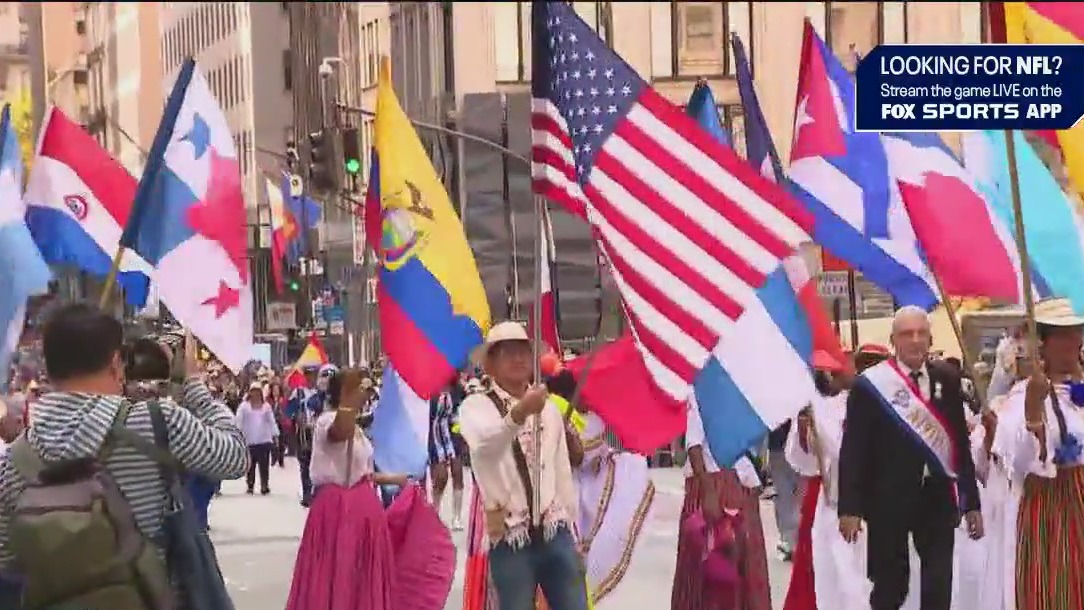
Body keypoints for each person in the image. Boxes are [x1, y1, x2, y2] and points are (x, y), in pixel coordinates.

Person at [0, 303, 248, 608]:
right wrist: (194, 385)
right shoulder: (156, 422)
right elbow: (235, 457)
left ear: (48, 369)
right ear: (116, 363)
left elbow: (7, 564)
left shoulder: (16, 459)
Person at [838, 306, 982, 610]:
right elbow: (853, 450)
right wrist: (849, 508)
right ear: (893, 340)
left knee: (938, 584)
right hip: (887, 499)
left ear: (930, 338)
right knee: (890, 586)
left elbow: (960, 444)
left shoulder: (947, 378)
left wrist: (971, 503)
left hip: (937, 498)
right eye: (906, 334)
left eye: (921, 333)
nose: (915, 340)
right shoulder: (870, 386)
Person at [285, 368, 455, 609]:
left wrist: (396, 479)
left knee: (362, 575)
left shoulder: (358, 430)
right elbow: (338, 433)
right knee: (339, 571)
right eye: (359, 389)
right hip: (337, 512)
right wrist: (349, 402)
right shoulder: (326, 421)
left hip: (365, 512)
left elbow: (366, 474)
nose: (364, 394)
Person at [457, 321, 587, 610]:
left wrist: (572, 528)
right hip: (510, 535)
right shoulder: (475, 407)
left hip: (554, 530)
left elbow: (561, 471)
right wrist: (519, 413)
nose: (518, 359)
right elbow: (486, 448)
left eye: (524, 352)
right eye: (507, 352)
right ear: (490, 365)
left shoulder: (549, 408)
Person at [990, 298, 1084, 610]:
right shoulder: (1021, 397)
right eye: (1064, 334)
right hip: (1048, 508)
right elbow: (1016, 461)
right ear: (1043, 342)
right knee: (1055, 589)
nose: (1074, 341)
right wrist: (1033, 413)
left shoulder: (1079, 391)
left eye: (1077, 332)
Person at [672, 397, 772, 610]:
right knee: (710, 565)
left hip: (739, 483)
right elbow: (694, 445)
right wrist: (708, 491)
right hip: (712, 482)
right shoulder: (701, 392)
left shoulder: (740, 394)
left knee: (744, 562)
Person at [286, 364, 327, 507]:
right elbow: (289, 411)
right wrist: (295, 416)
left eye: (314, 375)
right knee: (304, 464)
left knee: (319, 463)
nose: (311, 378)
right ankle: (307, 494)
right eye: (309, 375)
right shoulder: (298, 393)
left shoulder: (322, 392)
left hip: (320, 431)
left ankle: (318, 493)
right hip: (304, 433)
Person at [429, 378, 466, 530]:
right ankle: (434, 515)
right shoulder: (430, 391)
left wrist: (460, 431)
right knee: (441, 478)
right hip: (434, 437)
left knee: (458, 473)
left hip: (452, 435)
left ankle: (457, 517)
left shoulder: (456, 389)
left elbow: (459, 412)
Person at [236, 381, 278, 495]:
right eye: (253, 391)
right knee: (250, 465)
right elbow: (238, 421)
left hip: (264, 440)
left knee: (264, 465)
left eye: (257, 391)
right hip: (249, 440)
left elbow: (272, 422)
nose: (255, 394)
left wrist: (275, 436)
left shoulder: (266, 406)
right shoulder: (244, 406)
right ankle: (250, 485)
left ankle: (264, 485)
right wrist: (237, 434)